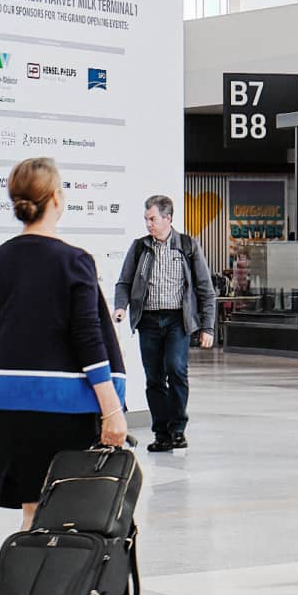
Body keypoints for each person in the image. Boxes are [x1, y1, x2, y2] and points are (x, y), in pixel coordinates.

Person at [0, 157, 128, 525]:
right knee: (68, 508)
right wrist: (112, 410)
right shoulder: (75, 261)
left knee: (32, 507)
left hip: (8, 406)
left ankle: (28, 581)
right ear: (57, 198)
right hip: (65, 405)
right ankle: (60, 582)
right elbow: (88, 340)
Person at [113, 193, 216, 454]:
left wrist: (208, 327)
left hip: (176, 321)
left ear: (168, 218)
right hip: (148, 321)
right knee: (154, 378)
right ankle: (161, 433)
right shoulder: (140, 247)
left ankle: (178, 430)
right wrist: (121, 307)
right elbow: (124, 282)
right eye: (146, 219)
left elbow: (205, 289)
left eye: (153, 219)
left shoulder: (188, 246)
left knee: (176, 370)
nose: (149, 224)